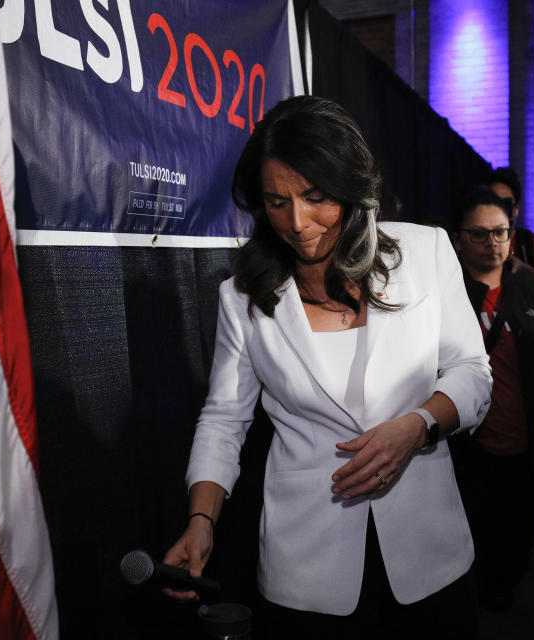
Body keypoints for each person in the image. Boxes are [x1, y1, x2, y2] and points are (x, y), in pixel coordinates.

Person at [162, 96, 492, 639]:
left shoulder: (425, 251)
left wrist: (417, 427)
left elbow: (472, 373)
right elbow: (224, 419)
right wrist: (202, 520)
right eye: (276, 202)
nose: (297, 222)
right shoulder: (242, 297)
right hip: (307, 567)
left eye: (316, 198)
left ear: (352, 188)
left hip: (429, 554)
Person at [448, 187, 534, 612]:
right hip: (462, 451)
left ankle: (501, 598)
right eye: (480, 234)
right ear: (458, 239)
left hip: (523, 448)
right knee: (468, 540)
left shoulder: (533, 296)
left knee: (517, 539)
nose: (492, 244)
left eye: (501, 233)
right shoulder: (445, 301)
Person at [484, 167, 534, 294]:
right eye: (492, 203)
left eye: (505, 204)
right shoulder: (476, 244)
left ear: (516, 207)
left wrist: (525, 271)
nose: (498, 210)